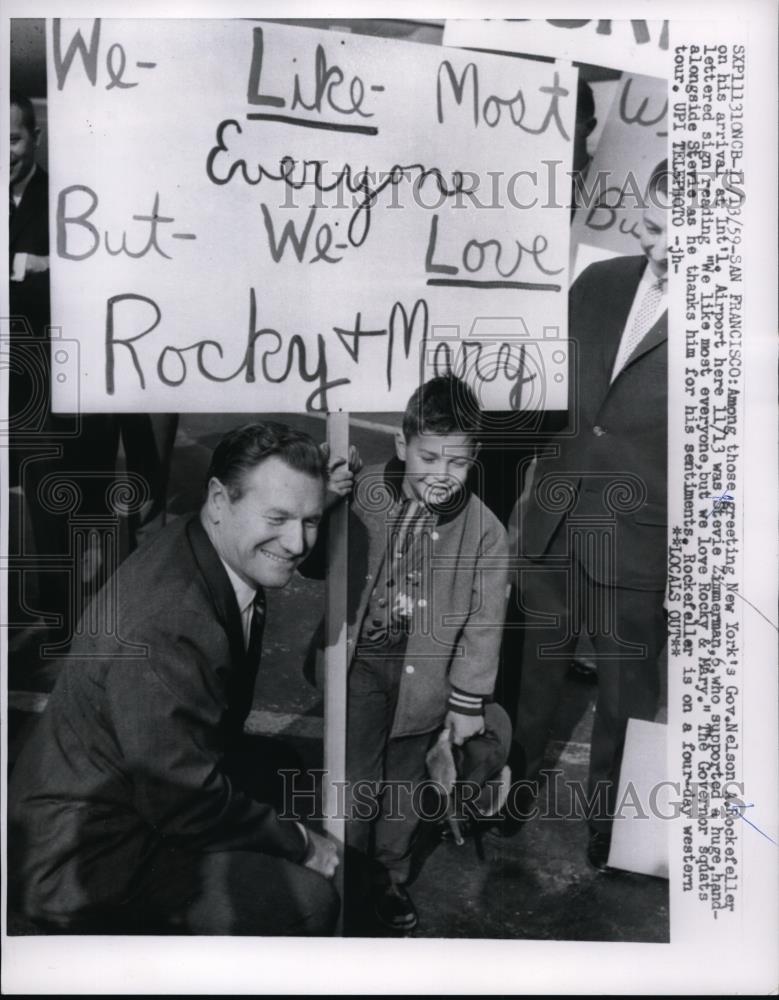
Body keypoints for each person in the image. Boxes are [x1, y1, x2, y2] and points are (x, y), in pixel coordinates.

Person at [8, 422, 340, 935]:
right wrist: (303, 844)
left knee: (278, 767)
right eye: (277, 517)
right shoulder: (168, 627)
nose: (297, 542)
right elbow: (184, 804)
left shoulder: (204, 541)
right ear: (218, 500)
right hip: (80, 857)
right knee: (308, 901)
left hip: (115, 791)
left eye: (310, 520)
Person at [502, 160, 669, 869]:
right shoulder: (597, 283)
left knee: (623, 693)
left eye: (665, 230)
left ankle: (609, 826)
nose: (650, 240)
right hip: (554, 519)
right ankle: (502, 791)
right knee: (527, 673)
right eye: (650, 223)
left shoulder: (743, 322)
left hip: (638, 542)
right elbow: (544, 386)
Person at [313, 376, 510, 933]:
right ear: (402, 445)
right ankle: (342, 875)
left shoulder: (487, 533)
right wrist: (326, 498)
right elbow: (314, 562)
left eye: (458, 463)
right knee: (353, 782)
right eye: (428, 457)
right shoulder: (364, 491)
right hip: (360, 667)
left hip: (427, 680)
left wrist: (468, 702)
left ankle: (385, 877)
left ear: (474, 461)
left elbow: (484, 621)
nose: (441, 476)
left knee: (401, 792)